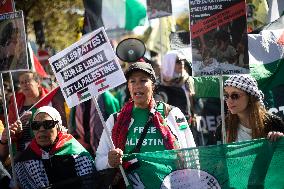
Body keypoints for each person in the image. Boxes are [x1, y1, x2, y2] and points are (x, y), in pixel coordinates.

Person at [95, 62, 196, 186]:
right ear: (128, 86)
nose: (137, 86)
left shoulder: (172, 114)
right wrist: (109, 162)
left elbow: (191, 155)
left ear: (153, 85)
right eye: (132, 81)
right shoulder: (115, 120)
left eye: (143, 80)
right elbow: (99, 162)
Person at [14, 106, 96, 189]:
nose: (41, 129)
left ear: (58, 127)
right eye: (36, 125)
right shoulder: (25, 159)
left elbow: (89, 183)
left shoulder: (77, 154)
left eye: (48, 124)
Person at [0, 71, 68, 160]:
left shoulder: (51, 99)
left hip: (49, 149)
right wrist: (16, 130)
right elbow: (10, 130)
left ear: (38, 83)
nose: (24, 85)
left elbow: (62, 124)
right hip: (24, 152)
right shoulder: (15, 104)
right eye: (22, 82)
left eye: (27, 81)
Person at [213, 75, 284, 144]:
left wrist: (280, 141)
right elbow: (213, 154)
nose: (229, 101)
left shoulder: (274, 124)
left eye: (235, 96)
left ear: (250, 97)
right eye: (226, 96)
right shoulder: (223, 128)